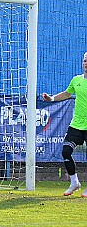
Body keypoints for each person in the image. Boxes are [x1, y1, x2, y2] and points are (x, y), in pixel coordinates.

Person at [42, 51, 87, 197]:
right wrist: (52, 98)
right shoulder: (76, 80)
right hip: (76, 124)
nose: (86, 63)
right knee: (66, 151)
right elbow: (67, 93)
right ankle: (74, 182)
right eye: (85, 60)